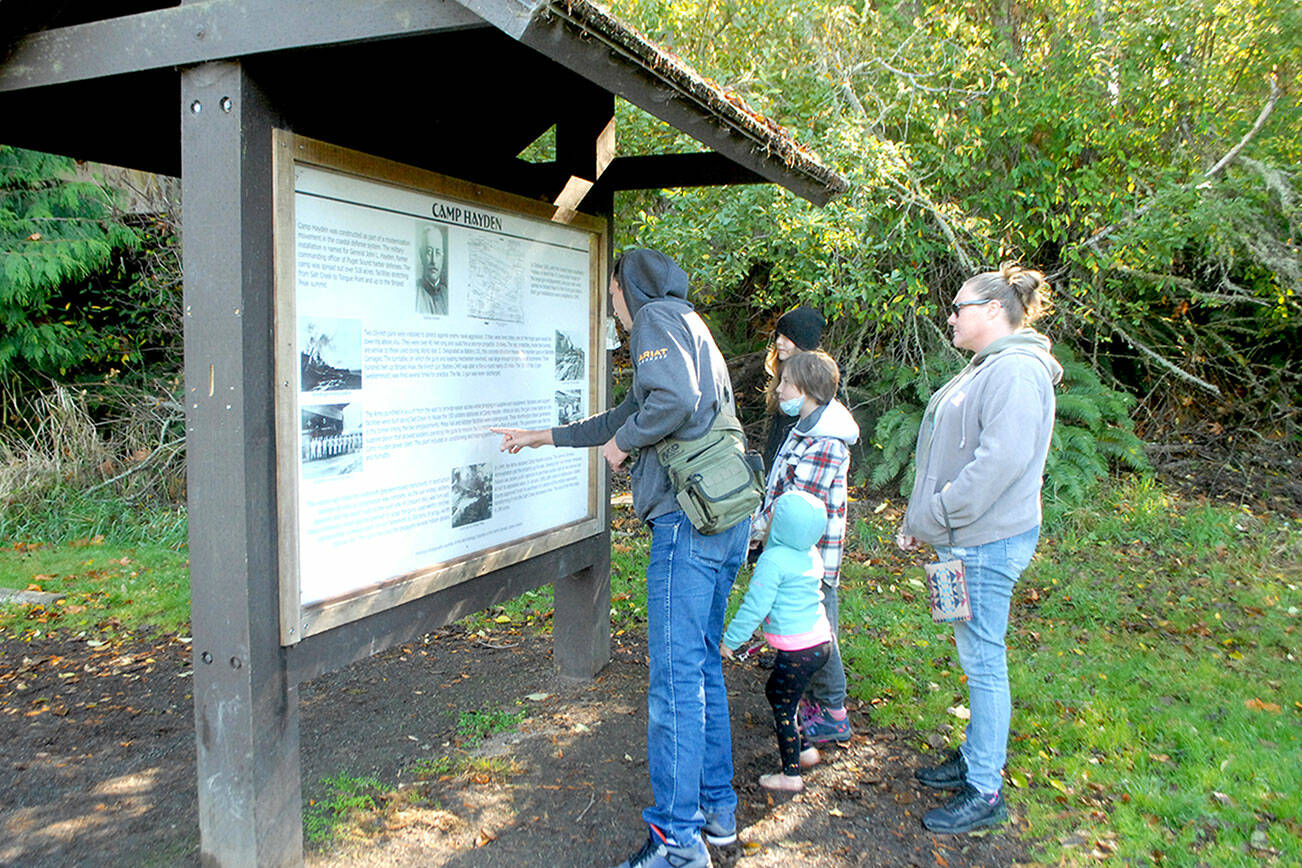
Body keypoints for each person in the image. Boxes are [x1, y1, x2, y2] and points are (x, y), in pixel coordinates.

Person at [492, 249, 749, 868]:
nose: (610, 304)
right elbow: (633, 409)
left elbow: (671, 404)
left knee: (673, 685)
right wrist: (547, 436)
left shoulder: (656, 320)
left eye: (611, 292)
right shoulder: (691, 324)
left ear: (629, 288)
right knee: (701, 671)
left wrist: (620, 447)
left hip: (686, 526)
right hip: (725, 517)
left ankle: (677, 842)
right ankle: (717, 817)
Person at [896, 262, 1061, 835]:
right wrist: (932, 525)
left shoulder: (1016, 372)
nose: (951, 316)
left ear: (994, 310)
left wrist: (937, 516)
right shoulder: (988, 366)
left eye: (960, 306)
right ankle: (973, 757)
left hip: (986, 544)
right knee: (974, 655)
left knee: (985, 662)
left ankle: (986, 788)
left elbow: (998, 465)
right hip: (964, 540)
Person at [753, 350, 859, 748]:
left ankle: (833, 712)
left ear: (809, 390)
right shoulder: (804, 428)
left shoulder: (826, 442)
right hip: (791, 553)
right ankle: (815, 704)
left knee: (818, 634)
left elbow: (796, 505)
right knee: (804, 631)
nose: (779, 390)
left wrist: (756, 530)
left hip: (813, 560)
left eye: (786, 384)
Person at [721, 490, 831, 792]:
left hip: (797, 650)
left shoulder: (773, 560)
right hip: (820, 643)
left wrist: (731, 641)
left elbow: (755, 606)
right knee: (783, 694)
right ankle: (805, 749)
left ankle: (791, 774)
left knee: (782, 705)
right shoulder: (811, 553)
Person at [760, 305, 827, 474]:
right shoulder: (781, 373)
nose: (779, 342)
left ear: (802, 342)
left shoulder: (819, 383)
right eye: (778, 336)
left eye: (787, 337)